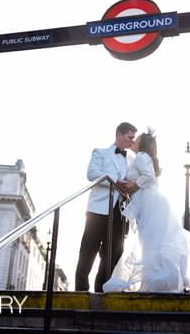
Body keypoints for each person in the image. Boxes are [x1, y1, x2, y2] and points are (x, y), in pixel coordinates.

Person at [103, 131, 190, 292]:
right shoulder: (141, 157)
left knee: (151, 243)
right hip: (151, 203)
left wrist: (133, 185)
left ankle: (153, 285)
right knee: (152, 243)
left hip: (150, 204)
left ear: (142, 143)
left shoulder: (141, 156)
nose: (133, 141)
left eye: (136, 139)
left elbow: (149, 177)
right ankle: (155, 283)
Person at [75, 122, 137, 292]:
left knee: (113, 253)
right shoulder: (100, 152)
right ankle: (81, 290)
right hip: (98, 210)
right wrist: (114, 182)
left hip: (120, 212)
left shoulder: (132, 160)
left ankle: (100, 289)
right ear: (119, 134)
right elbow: (92, 174)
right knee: (88, 251)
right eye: (130, 137)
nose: (132, 142)